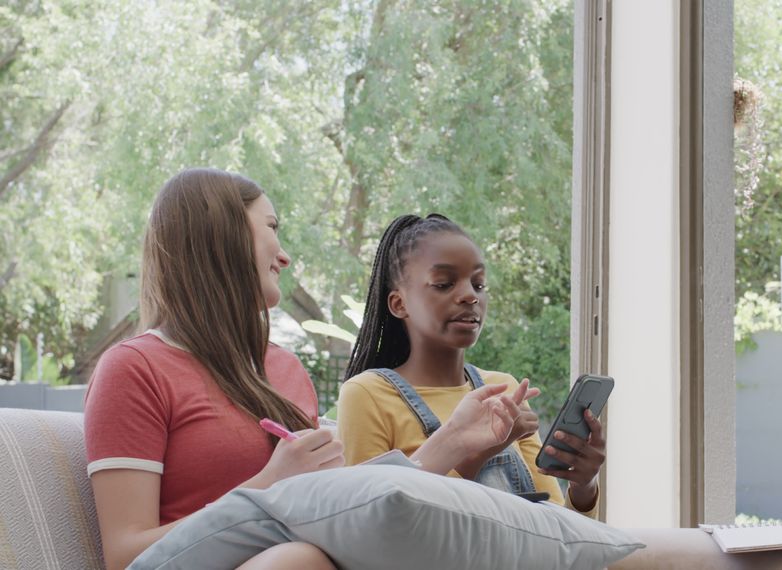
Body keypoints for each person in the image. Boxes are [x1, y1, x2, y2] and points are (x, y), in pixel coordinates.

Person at [84, 169, 526, 570]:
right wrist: (269, 485)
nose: (285, 257)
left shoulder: (285, 368)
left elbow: (345, 513)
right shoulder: (134, 369)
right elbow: (126, 557)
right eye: (272, 228)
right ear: (221, 237)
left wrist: (452, 442)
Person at [337, 214, 607, 515]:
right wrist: (478, 453)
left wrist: (584, 487)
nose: (469, 296)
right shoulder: (367, 394)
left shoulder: (504, 387)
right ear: (399, 304)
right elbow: (369, 524)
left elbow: (555, 527)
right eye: (443, 284)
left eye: (479, 284)